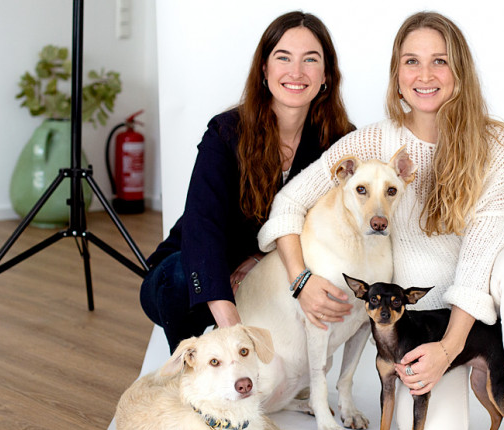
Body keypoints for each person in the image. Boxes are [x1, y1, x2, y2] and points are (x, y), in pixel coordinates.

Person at [256, 11, 504, 430]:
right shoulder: (374, 144)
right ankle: (468, 384)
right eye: (411, 62)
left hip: (486, 302)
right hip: (422, 320)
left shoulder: (501, 145)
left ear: (460, 71)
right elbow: (288, 203)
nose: (424, 75)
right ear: (397, 76)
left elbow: (478, 261)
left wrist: (450, 348)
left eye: (439, 61)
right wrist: (301, 279)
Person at [140, 11, 353, 355]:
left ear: (326, 74)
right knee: (177, 276)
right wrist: (232, 329)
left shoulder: (340, 141)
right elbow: (201, 225)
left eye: (310, 60)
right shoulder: (226, 132)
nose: (296, 72)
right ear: (264, 70)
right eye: (283, 58)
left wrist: (259, 258)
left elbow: (325, 225)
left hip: (270, 273)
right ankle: (190, 378)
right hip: (193, 271)